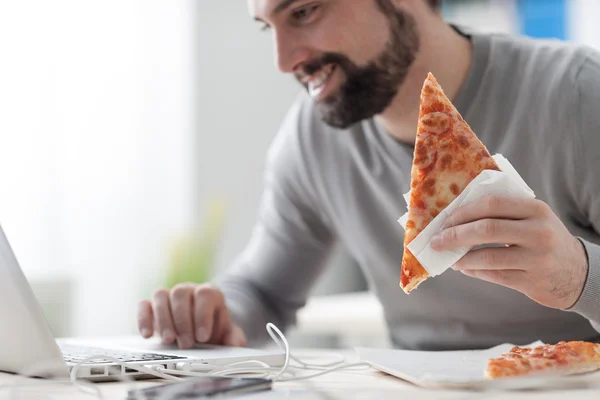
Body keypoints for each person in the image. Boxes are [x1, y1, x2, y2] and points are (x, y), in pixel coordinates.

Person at [137, 0, 600, 351]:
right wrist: (214, 314)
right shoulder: (312, 136)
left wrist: (578, 277)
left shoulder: (579, 96)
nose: (283, 60)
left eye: (303, 12)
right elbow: (262, 289)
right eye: (267, 28)